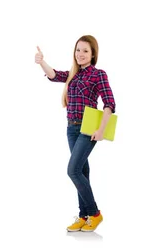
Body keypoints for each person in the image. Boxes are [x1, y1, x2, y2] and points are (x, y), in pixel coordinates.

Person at [35, 35, 116, 232]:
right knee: (82, 172)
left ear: (93, 54)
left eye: (85, 51)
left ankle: (95, 214)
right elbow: (54, 75)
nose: (80, 54)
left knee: (72, 171)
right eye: (78, 50)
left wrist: (101, 129)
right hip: (71, 128)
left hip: (88, 129)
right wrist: (41, 61)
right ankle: (83, 216)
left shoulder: (98, 74)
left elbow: (109, 103)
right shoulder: (73, 73)